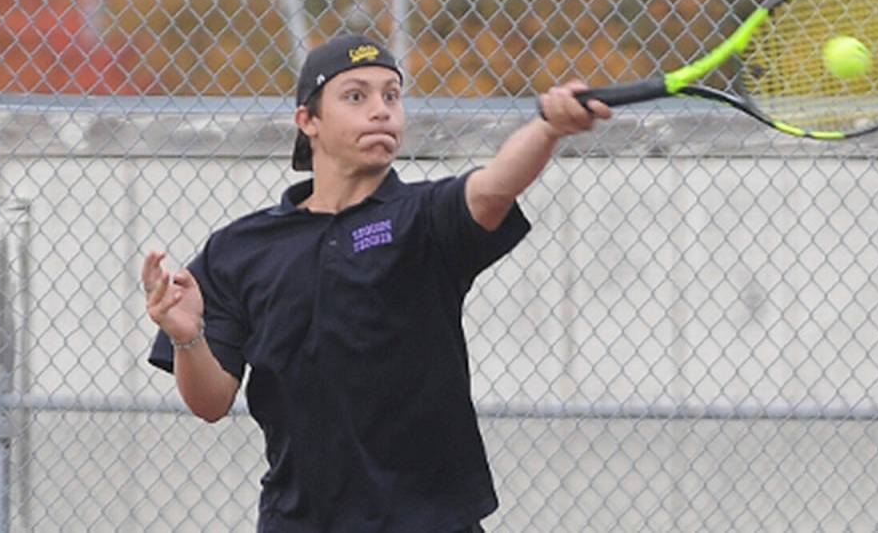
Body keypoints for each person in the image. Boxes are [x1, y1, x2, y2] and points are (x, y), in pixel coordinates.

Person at [144, 34, 611, 532]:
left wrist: (547, 129)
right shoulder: (240, 248)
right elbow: (211, 403)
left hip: (430, 520)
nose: (381, 110)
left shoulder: (422, 219)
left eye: (392, 95)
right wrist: (186, 335)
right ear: (308, 121)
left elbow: (495, 185)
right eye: (356, 96)